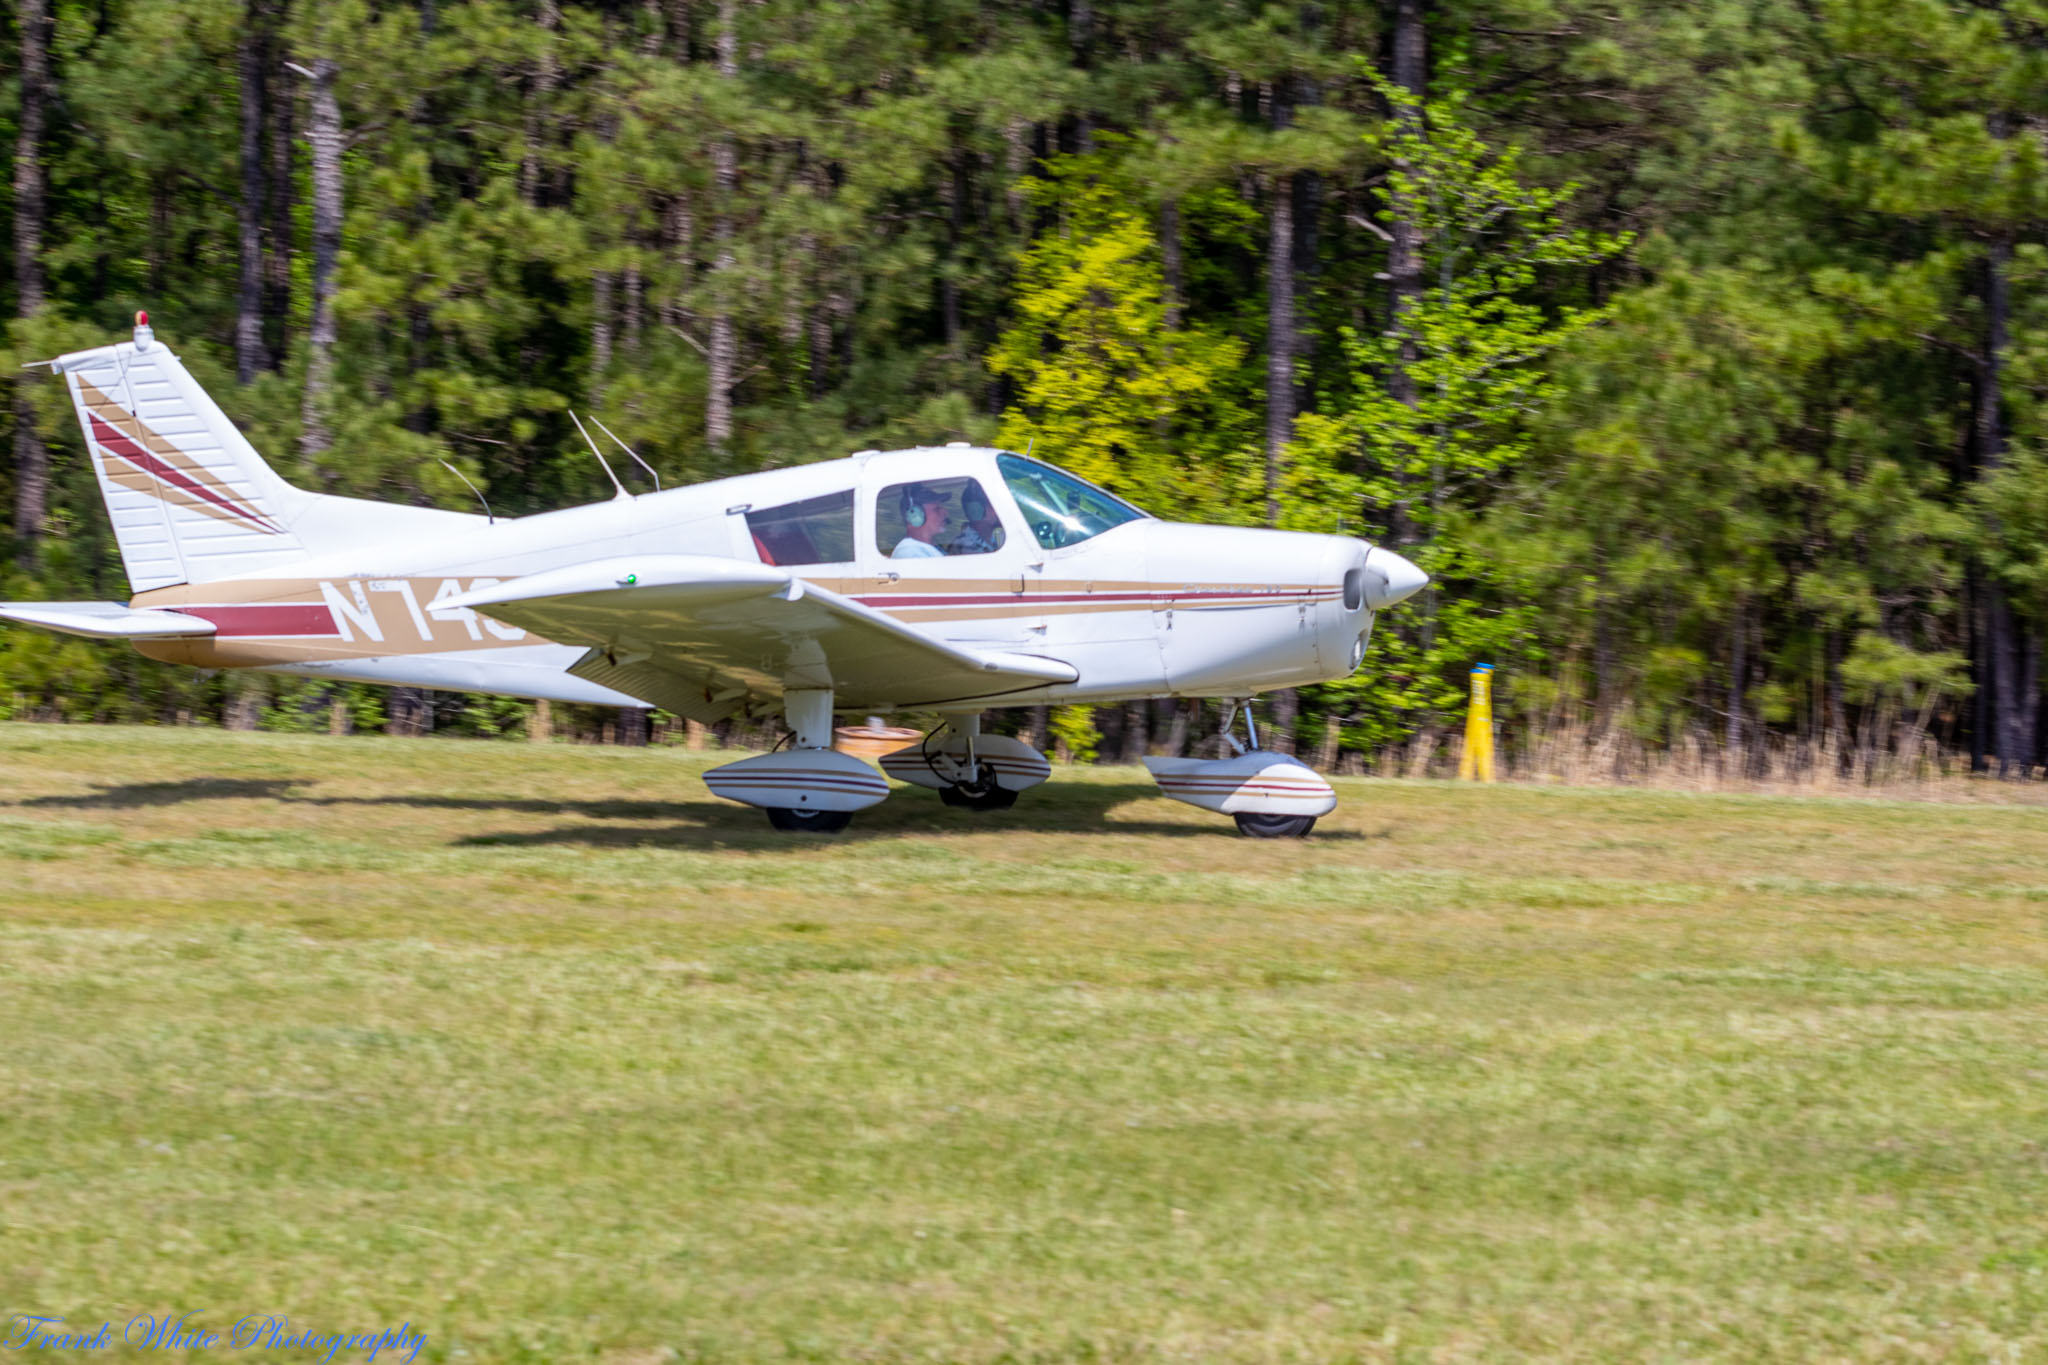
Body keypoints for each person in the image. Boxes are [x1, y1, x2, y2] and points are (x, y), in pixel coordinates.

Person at [891, 483, 951, 558]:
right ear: (915, 516)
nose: (945, 512)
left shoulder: (928, 548)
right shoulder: (910, 552)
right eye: (936, 509)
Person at [948, 481, 1004, 554]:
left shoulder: (996, 537)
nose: (999, 509)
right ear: (979, 510)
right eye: (994, 504)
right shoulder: (965, 547)